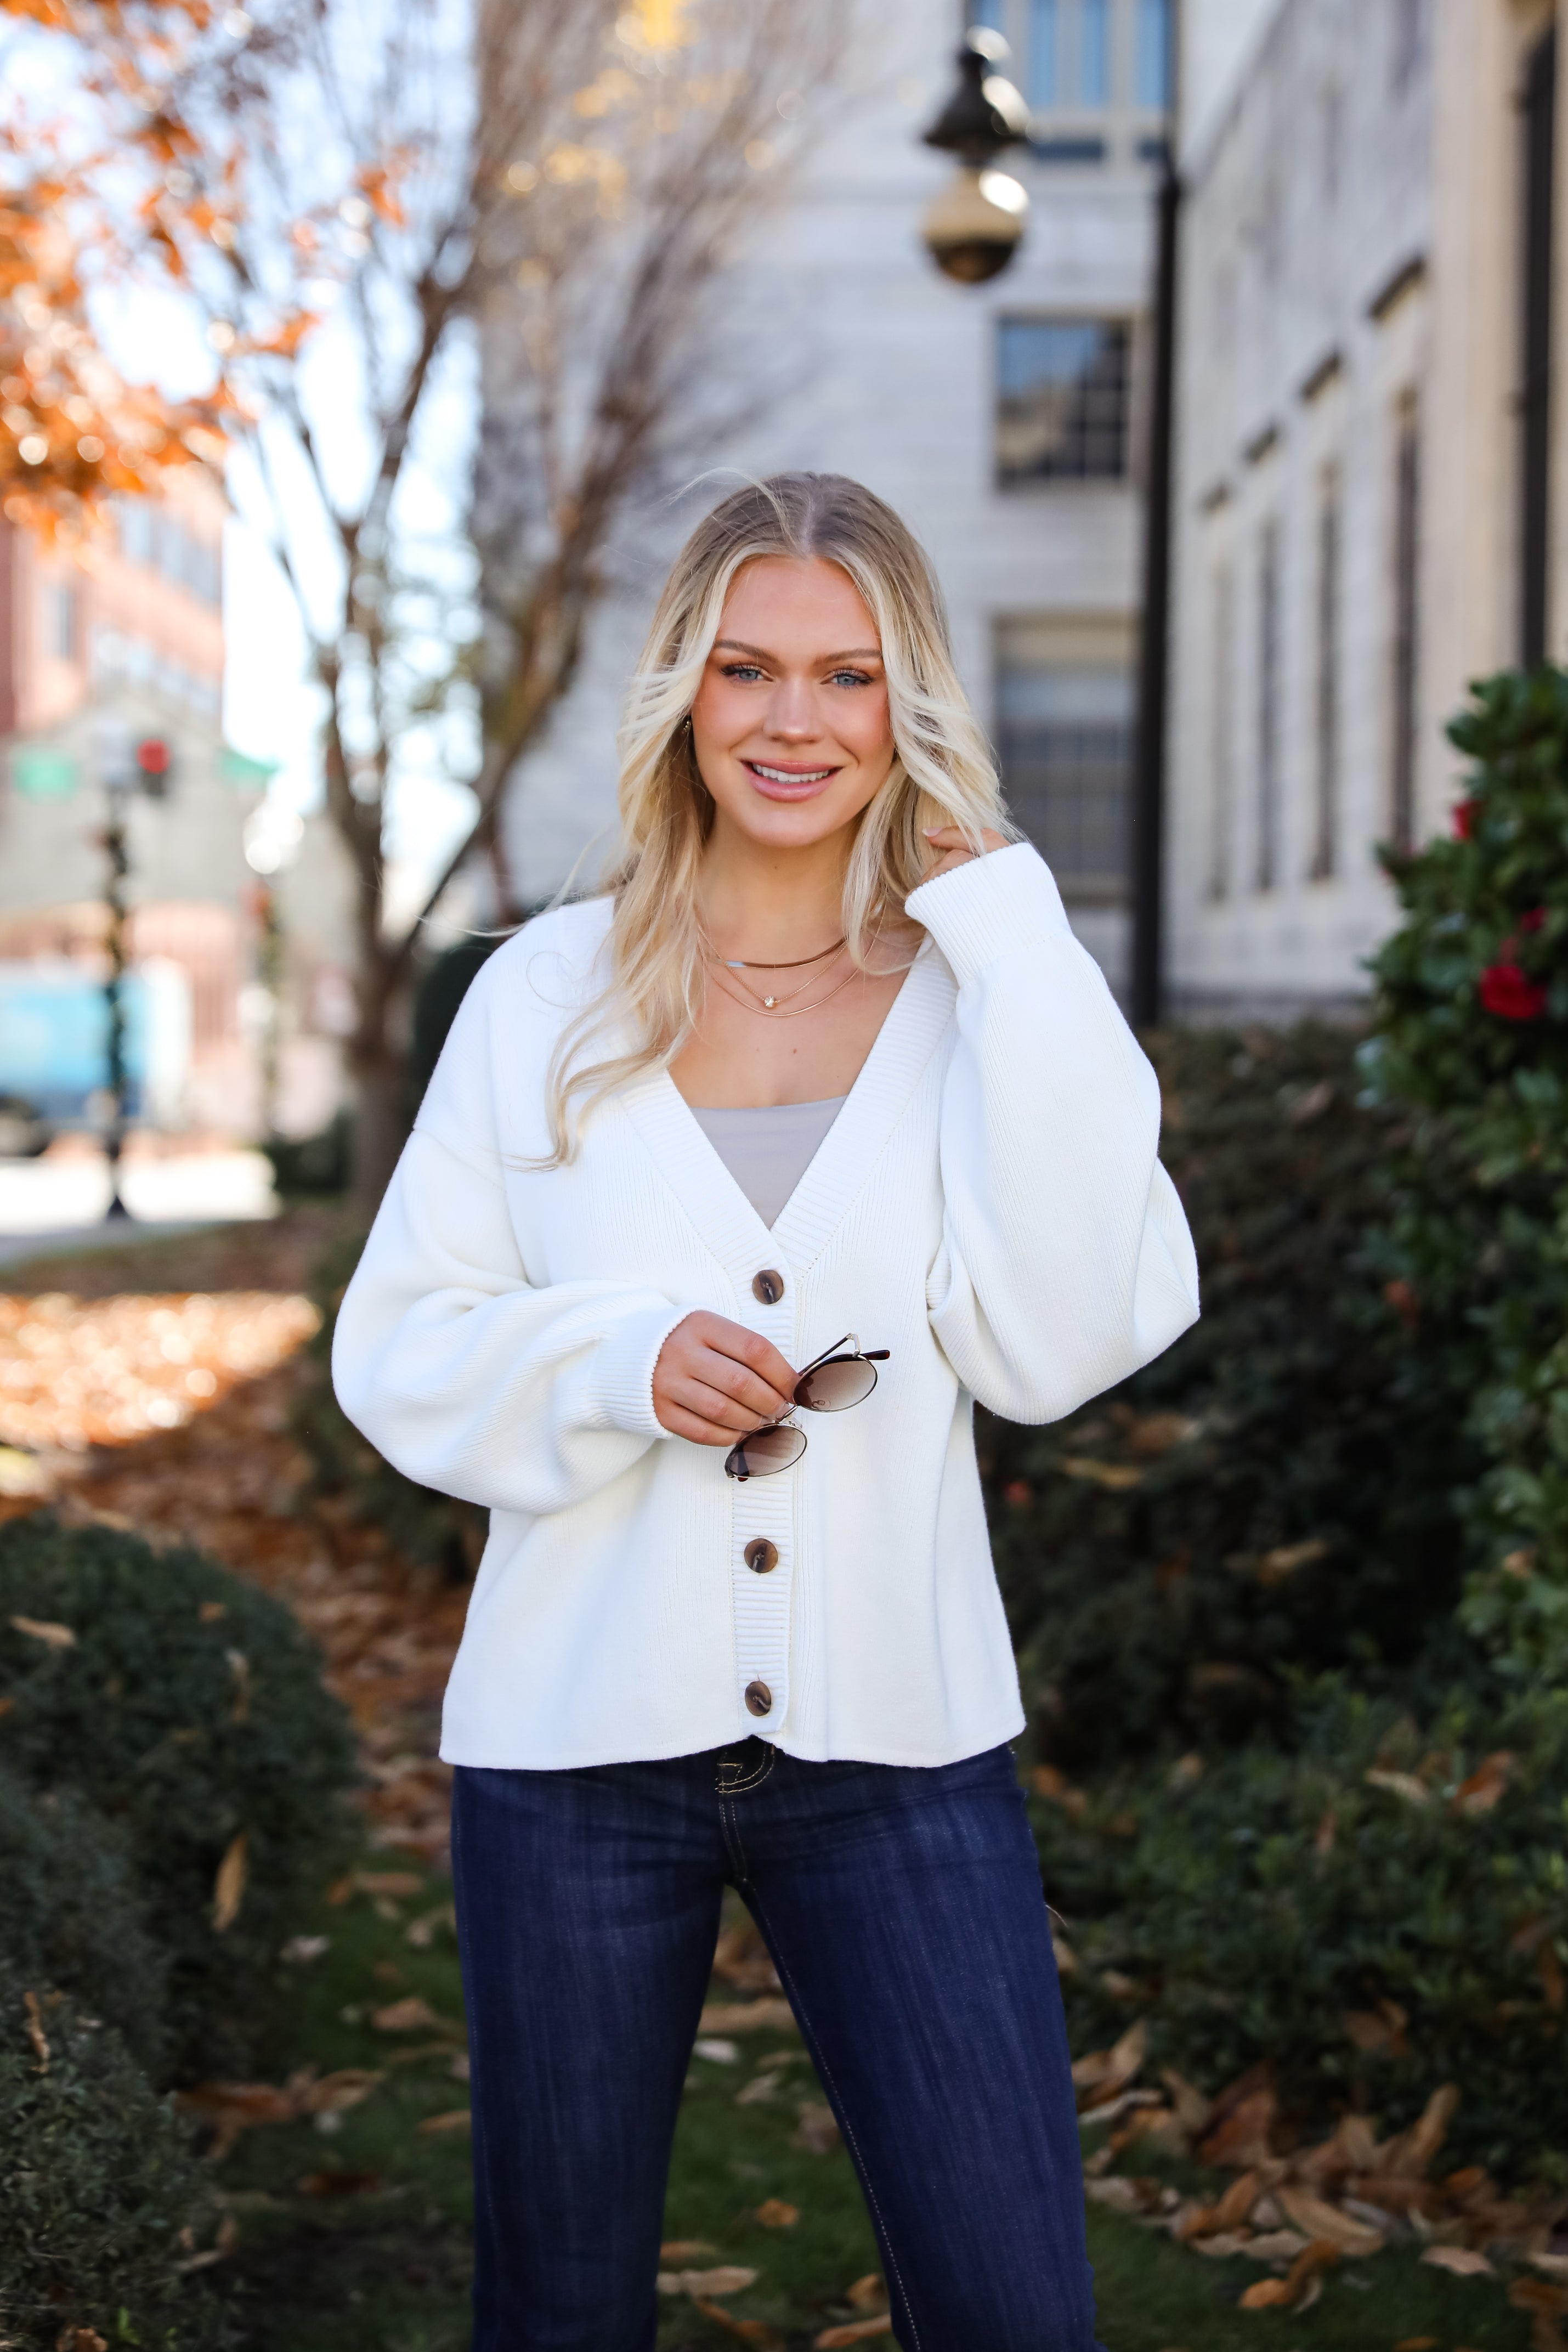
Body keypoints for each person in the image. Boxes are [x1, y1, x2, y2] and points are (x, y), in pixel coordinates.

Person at [333, 472, 1199, 2352]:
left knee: (1015, 2310)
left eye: (846, 674)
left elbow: (1062, 1338)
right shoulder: (539, 995)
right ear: (683, 691)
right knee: (558, 2315)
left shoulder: (983, 998)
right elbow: (399, 1346)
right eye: (746, 669)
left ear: (908, 705)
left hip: (903, 1749)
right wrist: (611, 1366)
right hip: (569, 1754)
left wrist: (1011, 924)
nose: (792, 720)